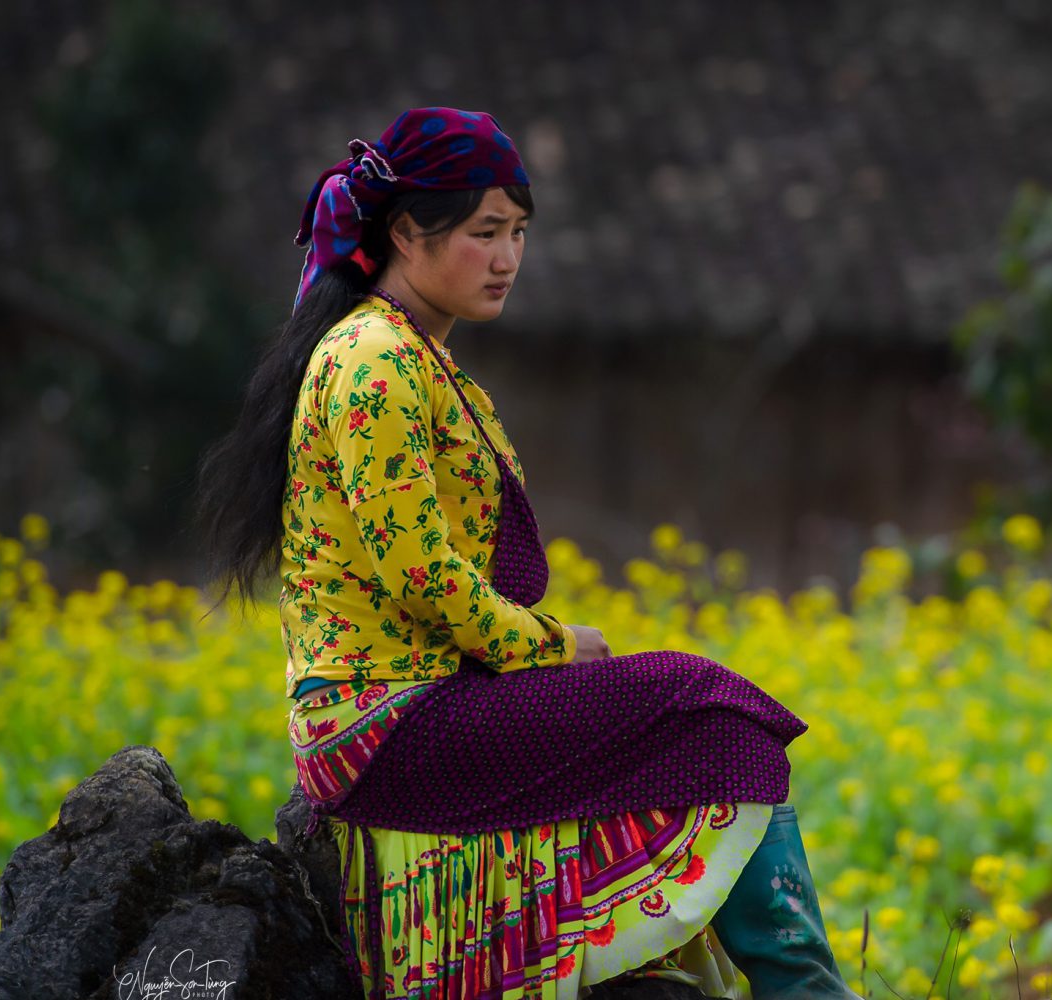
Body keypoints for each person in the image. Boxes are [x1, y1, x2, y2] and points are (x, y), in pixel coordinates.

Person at [194, 106, 861, 1000]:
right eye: (483, 233)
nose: (508, 258)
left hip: (438, 698)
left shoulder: (422, 358)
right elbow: (426, 579)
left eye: (518, 233)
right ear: (404, 232)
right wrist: (552, 645)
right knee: (711, 711)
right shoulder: (373, 361)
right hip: (388, 724)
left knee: (709, 711)